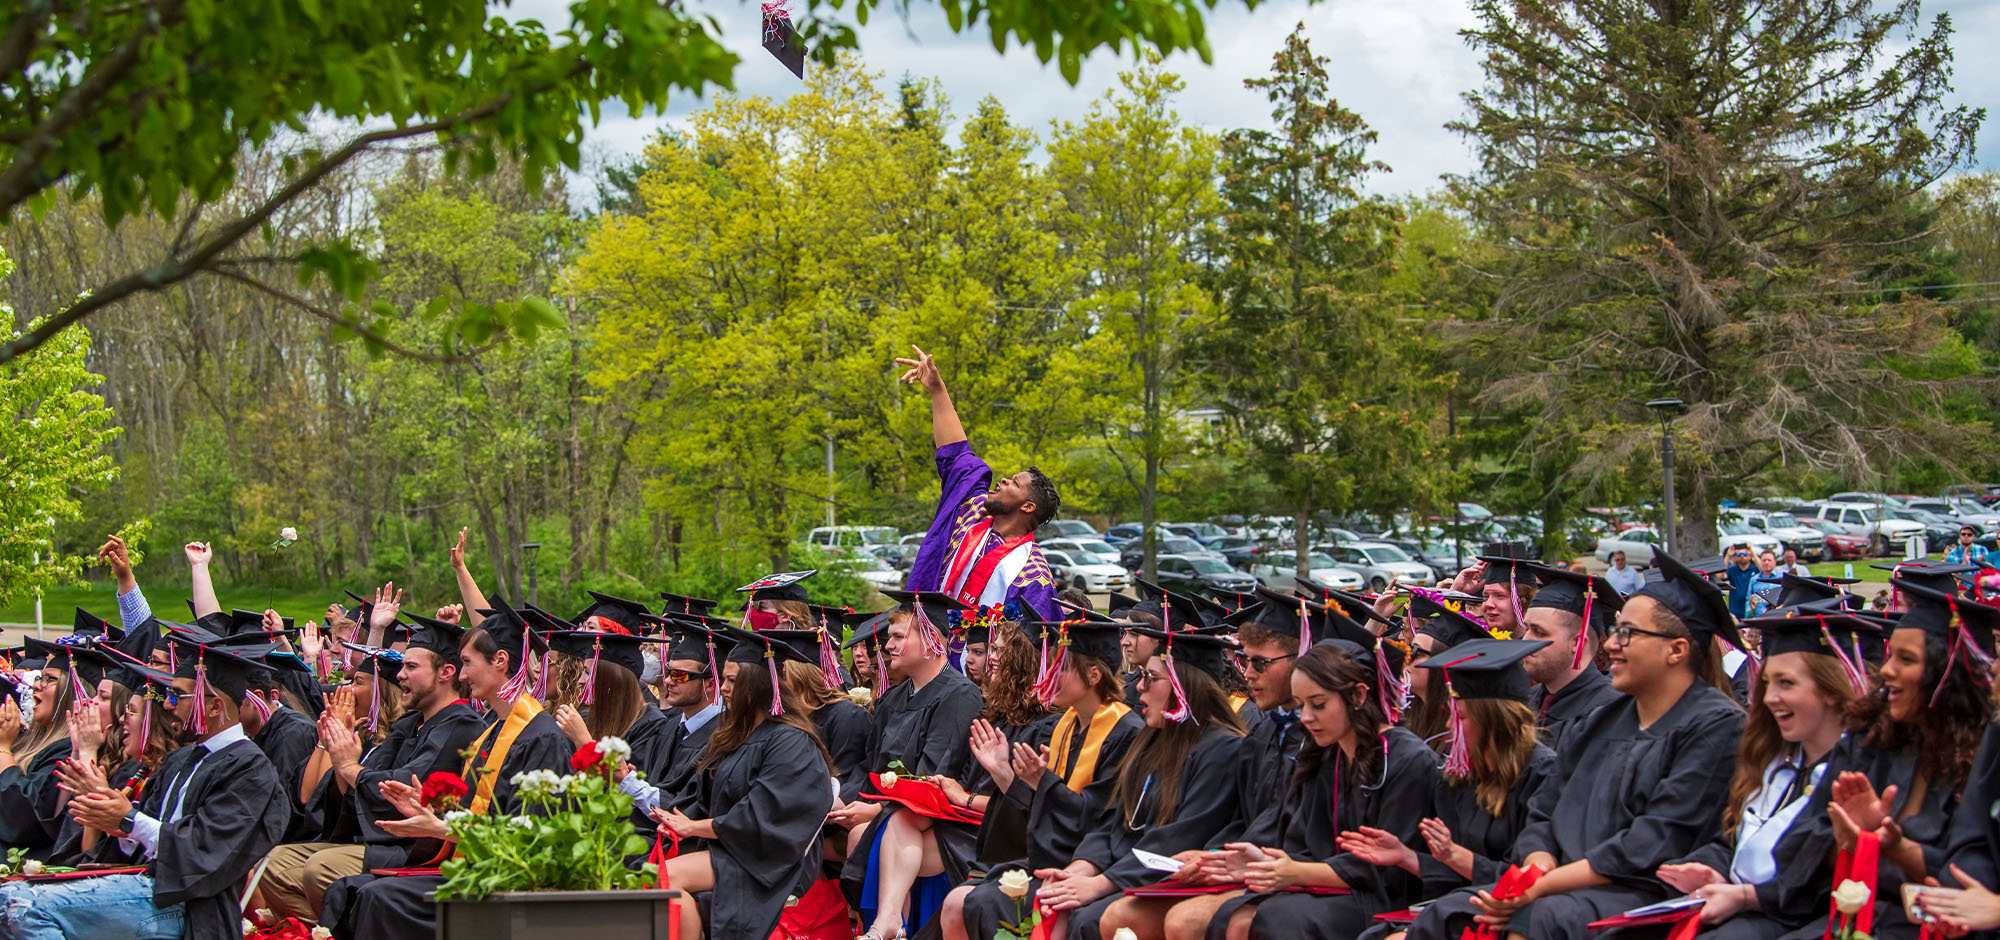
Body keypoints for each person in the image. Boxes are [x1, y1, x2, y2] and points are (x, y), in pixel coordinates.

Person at [1403, 552, 1749, 940]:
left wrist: (1538, 887)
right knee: (1447, 914)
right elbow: (1545, 809)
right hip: (1563, 883)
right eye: (1617, 631)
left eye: (1628, 634)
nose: (1611, 645)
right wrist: (1538, 864)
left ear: (1677, 650)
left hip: (1640, 890)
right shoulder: (1606, 718)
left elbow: (1653, 840)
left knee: (1533, 919)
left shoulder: (1716, 725)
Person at [317, 597, 575, 940]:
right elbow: (476, 813)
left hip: (513, 883)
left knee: (378, 898)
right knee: (349, 890)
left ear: (500, 661)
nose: (463, 674)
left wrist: (441, 826)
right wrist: (426, 806)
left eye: (467, 663)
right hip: (477, 867)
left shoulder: (541, 739)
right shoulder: (491, 732)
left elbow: (533, 839)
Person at [1, 640, 289, 940]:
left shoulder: (250, 770)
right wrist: (109, 815)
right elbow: (138, 842)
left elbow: (203, 853)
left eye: (178, 696)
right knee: (8, 894)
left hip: (189, 908)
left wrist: (127, 819)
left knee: (19, 908)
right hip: (141, 886)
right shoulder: (181, 760)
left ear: (215, 706)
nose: (167, 704)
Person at [1167, 637, 1441, 940]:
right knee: (1230, 917)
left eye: (1318, 704)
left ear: (1359, 695)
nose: (1306, 717)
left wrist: (1294, 872)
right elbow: (1302, 843)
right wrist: (1257, 863)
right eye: (1300, 705)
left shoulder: (1407, 761)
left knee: (1270, 920)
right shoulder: (1326, 755)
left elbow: (1389, 870)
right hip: (1324, 887)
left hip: (1385, 899)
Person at [1654, 608, 1884, 940]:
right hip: (1742, 907)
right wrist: (1711, 866)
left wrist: (1747, 897)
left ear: (1832, 689)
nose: (1770, 698)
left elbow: (1822, 884)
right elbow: (1733, 837)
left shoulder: (1863, 775)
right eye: (1767, 683)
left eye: (1786, 683)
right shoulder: (1772, 757)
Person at [258, 616, 484, 925]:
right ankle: (327, 929)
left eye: (411, 668)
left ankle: (339, 929)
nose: (400, 675)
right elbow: (359, 778)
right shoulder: (409, 724)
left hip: (413, 846)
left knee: (319, 868)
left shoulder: (461, 724)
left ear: (446, 673)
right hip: (378, 839)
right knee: (275, 864)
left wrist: (350, 767)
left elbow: (401, 784)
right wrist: (340, 758)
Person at [1028, 627, 1249, 940]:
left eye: (1151, 678)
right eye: (1141, 675)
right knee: (1052, 900)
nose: (1139, 687)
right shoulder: (1152, 741)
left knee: (1087, 917)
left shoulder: (1223, 750)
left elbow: (1180, 839)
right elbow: (1113, 820)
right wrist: (1081, 868)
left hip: (1174, 878)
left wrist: (1102, 883)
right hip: (1125, 870)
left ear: (1185, 688)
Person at [1812, 569, 1992, 939]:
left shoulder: (1987, 758)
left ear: (1949, 673)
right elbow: (1800, 849)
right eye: (1891, 656)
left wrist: (1893, 847)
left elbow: (1973, 881)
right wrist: (1854, 839)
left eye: (1906, 660)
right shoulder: (1870, 742)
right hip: (1852, 918)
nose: (1887, 671)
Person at [942, 621, 1143, 940]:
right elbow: (1043, 808)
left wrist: (1040, 781)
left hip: (1091, 865)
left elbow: (1096, 820)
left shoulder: (1126, 734)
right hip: (1053, 855)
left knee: (973, 902)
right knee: (957, 904)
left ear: (1093, 676)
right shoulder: (1066, 725)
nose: (1046, 675)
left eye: (1060, 667)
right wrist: (1004, 773)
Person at [1356, 639, 1559, 940]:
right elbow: (1454, 872)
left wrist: (1455, 855)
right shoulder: (1458, 776)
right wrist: (1404, 856)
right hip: (1462, 903)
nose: (1450, 724)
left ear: (1495, 722)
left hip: (1514, 913)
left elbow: (1527, 879)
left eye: (1461, 716)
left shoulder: (1543, 774)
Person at [646, 629, 837, 940]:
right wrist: (677, 819)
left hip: (768, 861)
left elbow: (764, 815)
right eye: (724, 679)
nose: (723, 688)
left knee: (665, 878)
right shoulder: (736, 735)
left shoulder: (791, 742)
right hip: (727, 847)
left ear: (758, 685)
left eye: (733, 681)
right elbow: (704, 795)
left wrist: (697, 828)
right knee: (648, 866)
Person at [837, 591, 986, 939]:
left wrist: (876, 812)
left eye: (898, 637)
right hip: (898, 812)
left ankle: (893, 926)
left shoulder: (960, 696)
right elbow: (869, 765)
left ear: (932, 639)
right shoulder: (894, 698)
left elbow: (936, 776)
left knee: (867, 833)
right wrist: (842, 800)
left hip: (945, 822)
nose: (887, 647)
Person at [897, 344, 1060, 621]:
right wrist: (938, 390)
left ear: (1029, 506)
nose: (1004, 479)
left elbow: (1033, 645)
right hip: (927, 652)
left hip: (981, 662)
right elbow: (957, 455)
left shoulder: (1034, 576)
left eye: (1015, 483)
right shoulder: (971, 511)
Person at [0, 633, 89, 858]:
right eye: (39, 678)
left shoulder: (67, 752)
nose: (37, 686)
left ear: (73, 693)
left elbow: (22, 819)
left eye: (49, 679)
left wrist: (2, 749)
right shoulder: (25, 741)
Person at [1518, 564, 1624, 745]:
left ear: (1578, 642)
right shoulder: (1527, 700)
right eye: (1527, 629)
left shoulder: (1611, 712)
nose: (1526, 640)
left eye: (1539, 632)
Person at [1724, 544, 1761, 621]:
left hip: (1750, 607)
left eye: (1745, 554)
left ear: (1750, 556)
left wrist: (1752, 552)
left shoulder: (1754, 569)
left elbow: (1763, 569)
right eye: (1738, 554)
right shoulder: (1732, 570)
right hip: (1735, 607)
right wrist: (1728, 555)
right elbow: (1720, 575)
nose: (1742, 556)